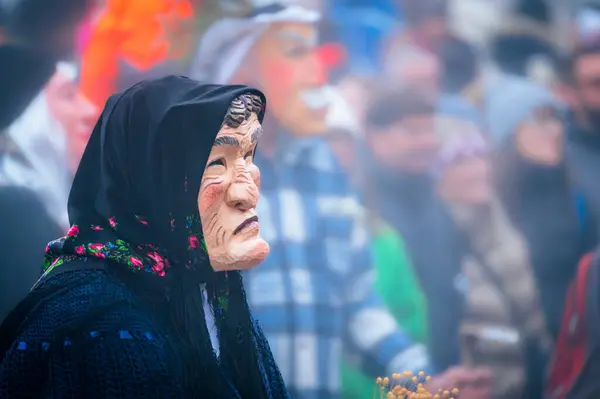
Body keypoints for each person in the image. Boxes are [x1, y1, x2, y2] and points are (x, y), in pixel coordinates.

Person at [190, 5, 449, 399]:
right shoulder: (196, 166)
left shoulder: (323, 163)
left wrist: (425, 386)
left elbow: (357, 304)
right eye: (295, 53)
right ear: (239, 70)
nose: (317, 71)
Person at [0, 76, 288, 398]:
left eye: (249, 156)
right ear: (149, 181)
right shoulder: (104, 327)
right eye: (217, 163)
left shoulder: (206, 293)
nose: (247, 193)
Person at [488, 79, 593, 339]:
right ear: (509, 131)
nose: (552, 130)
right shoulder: (495, 199)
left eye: (555, 118)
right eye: (538, 120)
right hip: (528, 339)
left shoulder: (574, 187)